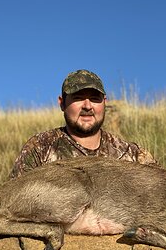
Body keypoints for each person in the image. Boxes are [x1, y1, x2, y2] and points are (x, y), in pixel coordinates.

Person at [10, 69, 156, 178]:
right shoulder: (40, 148)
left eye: (95, 98)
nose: (87, 106)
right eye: (78, 98)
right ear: (62, 103)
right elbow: (13, 202)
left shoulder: (132, 155)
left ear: (105, 103)